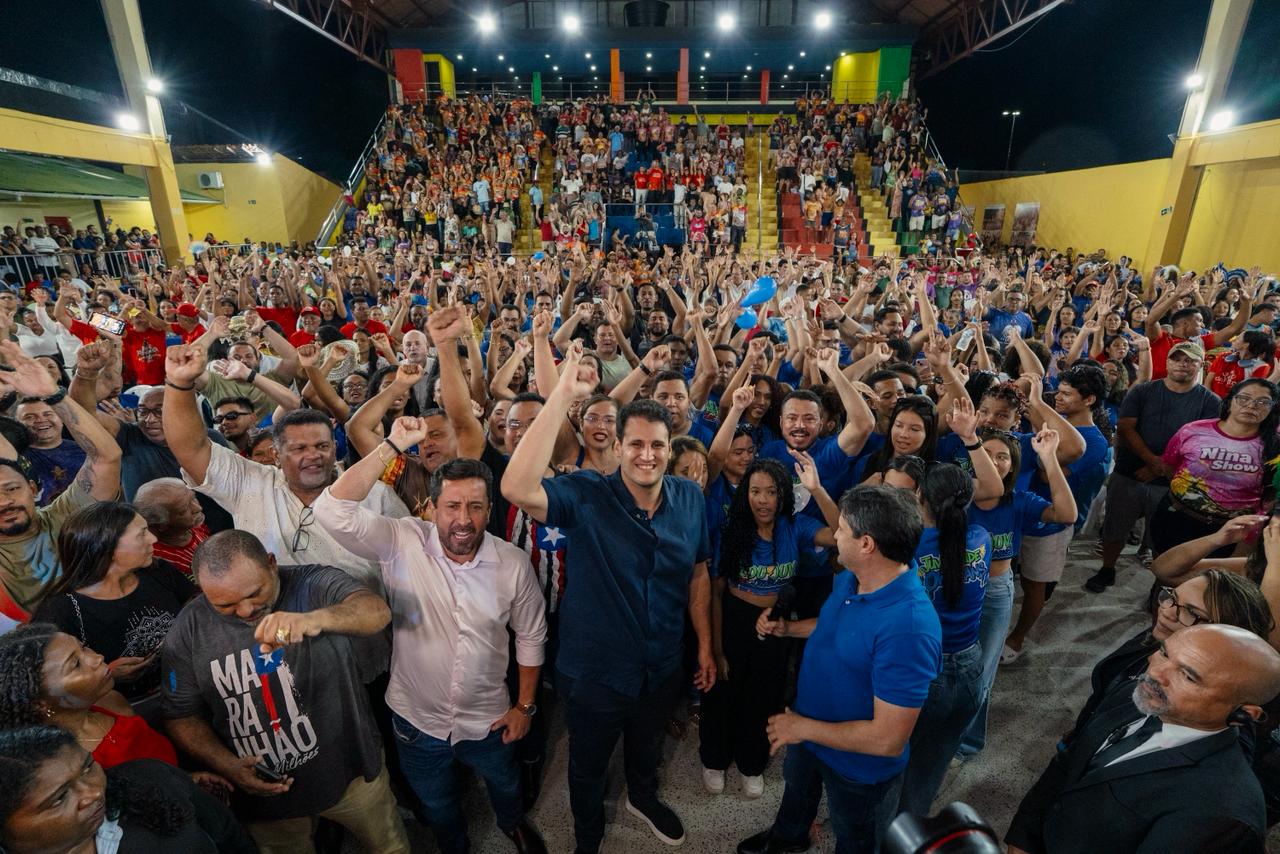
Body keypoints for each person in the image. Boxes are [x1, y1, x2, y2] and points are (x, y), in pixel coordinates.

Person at [501, 349, 715, 853]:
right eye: (635, 444)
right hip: (595, 672)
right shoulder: (586, 493)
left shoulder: (689, 497)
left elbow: (699, 573)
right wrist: (562, 396)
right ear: (618, 447)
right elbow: (516, 486)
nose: (647, 455)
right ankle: (588, 836)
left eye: (657, 445)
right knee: (588, 765)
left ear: (670, 448)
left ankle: (642, 797)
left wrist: (705, 645)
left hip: (662, 663)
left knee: (647, 746)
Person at [312, 424, 549, 854]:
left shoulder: (513, 564)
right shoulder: (401, 541)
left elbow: (531, 636)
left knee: (504, 782)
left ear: (489, 509)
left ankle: (512, 823)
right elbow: (331, 509)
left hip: (489, 717)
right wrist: (392, 445)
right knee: (437, 802)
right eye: (452, 506)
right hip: (416, 721)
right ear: (432, 508)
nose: (464, 519)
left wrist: (525, 706)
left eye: (475, 507)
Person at [159, 529, 409, 854]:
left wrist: (315, 620)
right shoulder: (187, 630)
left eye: (254, 593)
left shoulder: (312, 583)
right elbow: (181, 715)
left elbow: (375, 611)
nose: (246, 610)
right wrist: (227, 765)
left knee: (389, 846)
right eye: (225, 604)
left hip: (351, 775)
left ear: (272, 564)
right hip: (264, 799)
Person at [738, 484, 941, 854]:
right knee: (797, 796)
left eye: (842, 530)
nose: (835, 536)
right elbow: (836, 625)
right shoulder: (855, 577)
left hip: (857, 767)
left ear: (866, 544)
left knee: (855, 838)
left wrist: (801, 728)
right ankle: (789, 838)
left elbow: (888, 739)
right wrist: (789, 629)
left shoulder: (909, 627)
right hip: (809, 731)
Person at [1005, 624, 1280, 854]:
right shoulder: (1140, 696)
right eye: (1164, 652)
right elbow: (1066, 766)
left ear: (1243, 714)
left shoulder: (1223, 814)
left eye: (1187, 675)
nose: (1155, 672)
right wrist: (1022, 841)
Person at [162, 343, 409, 593]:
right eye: (298, 448)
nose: (312, 455)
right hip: (274, 615)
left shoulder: (376, 495)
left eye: (321, 446)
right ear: (276, 455)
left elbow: (410, 565)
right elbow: (191, 449)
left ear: (335, 449)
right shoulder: (251, 484)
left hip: (364, 614)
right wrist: (179, 384)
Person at [700, 454, 839, 800]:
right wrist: (717, 648)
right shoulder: (732, 530)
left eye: (772, 492)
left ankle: (752, 762)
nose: (763, 500)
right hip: (734, 618)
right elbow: (715, 593)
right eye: (755, 491)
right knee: (723, 692)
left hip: (777, 622)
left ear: (783, 496)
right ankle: (714, 759)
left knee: (764, 695)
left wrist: (817, 490)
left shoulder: (796, 526)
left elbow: (840, 535)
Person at [0, 341, 122, 629]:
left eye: (11, 489)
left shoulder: (63, 517)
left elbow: (107, 458)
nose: (4, 501)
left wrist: (53, 395)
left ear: (33, 489)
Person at [895, 463, 992, 815]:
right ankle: (908, 829)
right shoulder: (981, 539)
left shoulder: (908, 548)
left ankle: (880, 829)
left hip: (923, 668)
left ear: (920, 496)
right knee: (931, 766)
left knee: (894, 762)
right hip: (971, 669)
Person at [32, 503, 195, 711]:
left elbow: (194, 606)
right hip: (127, 709)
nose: (153, 539)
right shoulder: (61, 610)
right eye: (142, 534)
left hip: (189, 685)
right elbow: (44, 683)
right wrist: (106, 674)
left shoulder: (159, 571)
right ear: (107, 548)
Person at [1087, 341, 1220, 593]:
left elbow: (1204, 442)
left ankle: (1160, 585)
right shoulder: (1143, 391)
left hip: (1175, 480)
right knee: (1115, 526)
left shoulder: (1210, 401)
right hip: (1131, 472)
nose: (1183, 364)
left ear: (1201, 365)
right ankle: (1107, 568)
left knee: (1164, 535)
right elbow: (1126, 427)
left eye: (1190, 360)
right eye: (1177, 358)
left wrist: (1163, 467)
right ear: (1167, 362)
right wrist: (1152, 460)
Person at [0, 726, 256, 854]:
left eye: (88, 768)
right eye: (60, 798)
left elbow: (230, 836)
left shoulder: (152, 781)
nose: (94, 793)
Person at [0, 625, 187, 771]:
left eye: (83, 648)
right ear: (40, 704)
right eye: (76, 664)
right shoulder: (69, 765)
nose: (98, 658)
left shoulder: (111, 701)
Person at [1148, 378, 1279, 556]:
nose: (1251, 406)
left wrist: (1249, 537)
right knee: (1165, 566)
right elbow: (1170, 466)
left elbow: (1270, 496)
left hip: (1231, 531)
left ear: (1272, 408)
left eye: (1263, 402)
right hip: (1177, 517)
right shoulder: (1192, 430)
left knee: (1211, 573)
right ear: (1230, 401)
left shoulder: (1274, 446)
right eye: (1244, 398)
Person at [133, 478, 210, 581]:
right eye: (184, 509)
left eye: (193, 498)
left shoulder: (195, 525)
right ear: (160, 525)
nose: (198, 508)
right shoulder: (157, 561)